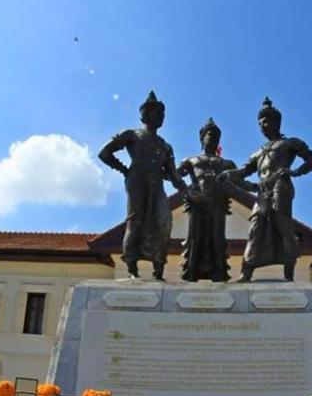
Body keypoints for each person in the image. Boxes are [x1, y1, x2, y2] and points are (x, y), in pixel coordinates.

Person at [221, 98, 312, 282]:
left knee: (283, 225)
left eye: (265, 122)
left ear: (275, 122)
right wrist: (227, 174)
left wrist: (295, 171)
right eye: (259, 124)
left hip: (280, 185)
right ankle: (247, 271)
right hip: (262, 189)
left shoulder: (290, 143)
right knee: (256, 225)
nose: (262, 127)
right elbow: (242, 172)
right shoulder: (259, 152)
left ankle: (288, 273)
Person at [98, 91, 188, 280]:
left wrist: (187, 189)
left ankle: (158, 269)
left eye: (163, 114)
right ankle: (132, 267)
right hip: (137, 180)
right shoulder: (132, 135)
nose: (161, 117)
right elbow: (105, 153)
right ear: (146, 114)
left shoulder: (165, 146)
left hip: (157, 183)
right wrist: (124, 170)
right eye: (157, 113)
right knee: (135, 220)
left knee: (163, 222)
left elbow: (173, 175)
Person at [178, 118, 242, 282]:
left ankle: (219, 274)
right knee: (195, 239)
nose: (212, 138)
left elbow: (240, 181)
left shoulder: (227, 164)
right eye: (209, 134)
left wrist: (258, 187)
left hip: (218, 205)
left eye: (215, 135)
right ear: (202, 138)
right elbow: (174, 175)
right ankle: (191, 274)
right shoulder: (191, 161)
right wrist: (189, 191)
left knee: (217, 240)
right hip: (197, 204)